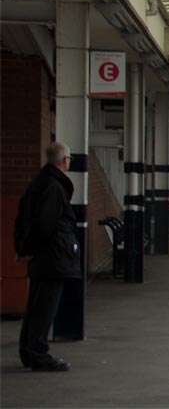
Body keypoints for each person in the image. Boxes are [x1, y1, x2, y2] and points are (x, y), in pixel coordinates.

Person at [15, 142, 81, 372]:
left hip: (43, 256)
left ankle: (28, 350)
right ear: (64, 160)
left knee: (36, 306)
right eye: (69, 158)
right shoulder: (54, 187)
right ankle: (38, 353)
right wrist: (30, 249)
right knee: (45, 308)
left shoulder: (39, 183)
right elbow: (46, 224)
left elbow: (22, 216)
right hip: (52, 256)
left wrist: (23, 248)